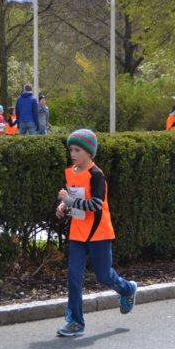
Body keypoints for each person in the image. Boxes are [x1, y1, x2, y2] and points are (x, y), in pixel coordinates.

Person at [55, 129, 138, 337]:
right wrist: (63, 206)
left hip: (98, 234)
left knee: (104, 276)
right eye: (71, 149)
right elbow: (74, 195)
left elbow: (95, 205)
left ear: (89, 152)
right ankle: (76, 322)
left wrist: (68, 201)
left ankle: (127, 289)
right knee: (74, 276)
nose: (73, 154)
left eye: (78, 150)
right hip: (77, 233)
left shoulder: (96, 175)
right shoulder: (71, 172)